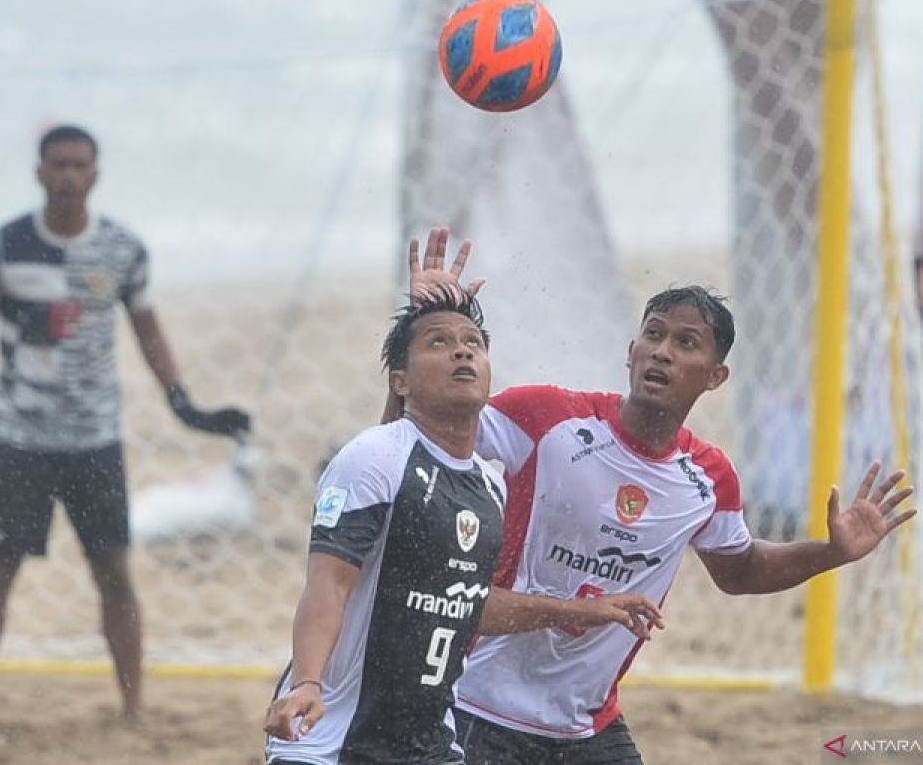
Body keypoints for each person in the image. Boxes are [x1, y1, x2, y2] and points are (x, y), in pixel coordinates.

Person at [392, 229, 916, 765]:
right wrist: (418, 340)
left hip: (588, 727)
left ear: (715, 377)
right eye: (654, 335)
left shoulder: (709, 477)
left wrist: (832, 553)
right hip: (482, 708)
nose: (663, 353)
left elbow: (739, 572)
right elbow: (399, 447)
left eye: (685, 343)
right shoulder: (547, 417)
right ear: (632, 351)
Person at [0, 124, 251, 729]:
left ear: (96, 174)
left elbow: (148, 329)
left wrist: (183, 403)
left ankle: (132, 709)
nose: (69, 176)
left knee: (114, 573)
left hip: (94, 442)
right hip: (19, 439)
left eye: (80, 165)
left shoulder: (122, 251)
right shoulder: (4, 248)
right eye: (58, 165)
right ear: (39, 172)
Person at [264, 290, 663, 765]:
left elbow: (467, 604)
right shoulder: (373, 458)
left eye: (473, 342)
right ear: (401, 381)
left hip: (428, 743)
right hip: (334, 739)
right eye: (438, 343)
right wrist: (308, 680)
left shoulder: (489, 486)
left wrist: (584, 609)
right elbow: (328, 583)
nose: (461, 350)